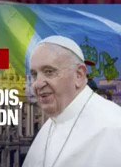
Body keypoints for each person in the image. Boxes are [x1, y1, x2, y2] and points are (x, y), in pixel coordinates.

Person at [24, 36, 121, 167]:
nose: (37, 84)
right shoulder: (50, 125)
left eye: (49, 72)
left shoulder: (113, 127)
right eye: (34, 74)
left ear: (79, 75)